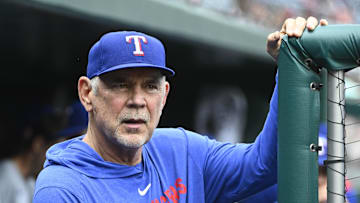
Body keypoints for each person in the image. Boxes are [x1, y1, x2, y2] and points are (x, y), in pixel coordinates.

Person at [33, 17, 327, 202]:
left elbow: (266, 163)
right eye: (121, 85)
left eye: (149, 86)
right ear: (87, 94)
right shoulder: (63, 188)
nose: (137, 100)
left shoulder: (181, 150)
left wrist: (292, 71)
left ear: (164, 95)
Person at [0, 104, 64, 203]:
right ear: (38, 145)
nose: (55, 159)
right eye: (52, 151)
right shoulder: (5, 174)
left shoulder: (31, 183)